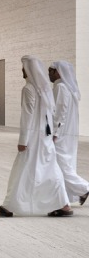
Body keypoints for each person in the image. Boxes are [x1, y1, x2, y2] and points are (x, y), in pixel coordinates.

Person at [0, 56, 72, 217]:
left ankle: (9, 206)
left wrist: (22, 141)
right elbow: (52, 115)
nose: (22, 70)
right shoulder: (45, 89)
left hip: (33, 137)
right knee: (50, 169)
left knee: (22, 169)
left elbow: (27, 116)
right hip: (45, 137)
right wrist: (54, 133)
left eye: (24, 67)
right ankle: (64, 204)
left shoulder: (29, 89)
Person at [50, 60, 89, 205]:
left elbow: (60, 112)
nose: (48, 73)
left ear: (58, 72)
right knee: (67, 163)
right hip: (69, 133)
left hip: (61, 134)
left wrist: (55, 133)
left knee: (61, 164)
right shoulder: (69, 88)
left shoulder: (60, 87)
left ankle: (84, 188)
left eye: (50, 70)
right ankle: (68, 196)